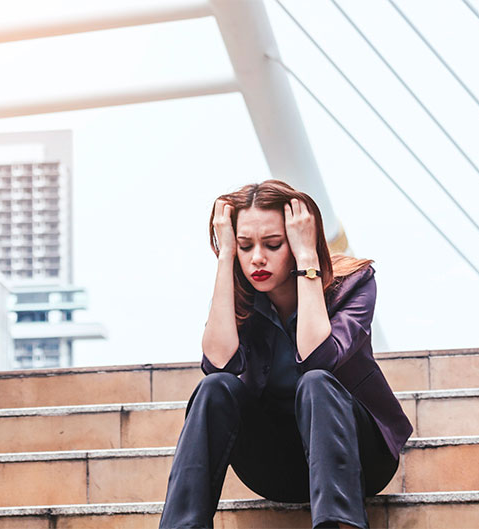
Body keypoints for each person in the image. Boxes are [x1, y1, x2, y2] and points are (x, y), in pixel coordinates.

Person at [159, 180, 413, 529]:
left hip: (359, 460)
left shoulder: (354, 283)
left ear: (296, 239)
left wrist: (307, 259)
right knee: (215, 387)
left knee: (317, 382)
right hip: (277, 466)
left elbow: (318, 359)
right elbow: (217, 364)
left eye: (273, 244)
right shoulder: (242, 296)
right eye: (246, 246)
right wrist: (225, 260)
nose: (257, 258)